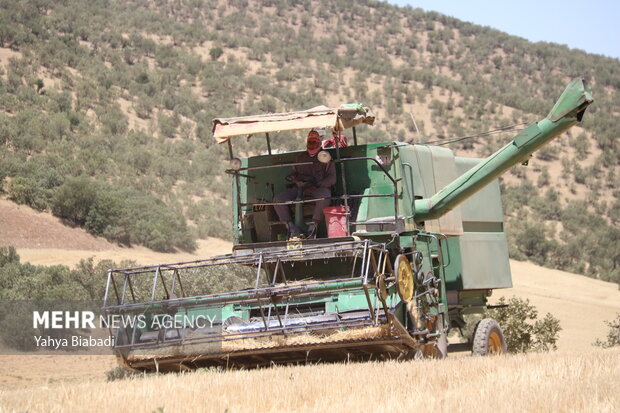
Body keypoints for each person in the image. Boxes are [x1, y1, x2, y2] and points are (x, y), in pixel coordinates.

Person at [273, 130, 336, 238]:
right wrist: (296, 180)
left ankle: (313, 226)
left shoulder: (326, 157)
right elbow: (293, 173)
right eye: (310, 142)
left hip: (318, 188)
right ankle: (291, 226)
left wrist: (318, 185)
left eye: (314, 142)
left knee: (324, 196)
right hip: (299, 188)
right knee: (278, 199)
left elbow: (332, 178)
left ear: (319, 143)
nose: (311, 144)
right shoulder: (300, 158)